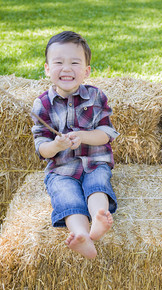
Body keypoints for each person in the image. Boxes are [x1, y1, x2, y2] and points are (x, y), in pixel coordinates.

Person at [31, 31, 119, 259]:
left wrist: (82, 135)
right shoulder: (41, 104)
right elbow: (41, 148)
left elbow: (106, 134)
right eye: (58, 62)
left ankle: (99, 217)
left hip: (94, 162)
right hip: (61, 170)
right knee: (66, 195)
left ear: (87, 70)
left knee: (98, 182)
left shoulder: (96, 96)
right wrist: (57, 145)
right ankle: (81, 235)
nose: (67, 68)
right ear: (47, 69)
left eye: (75, 62)